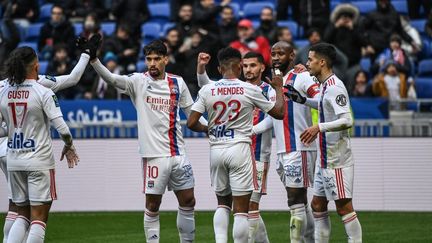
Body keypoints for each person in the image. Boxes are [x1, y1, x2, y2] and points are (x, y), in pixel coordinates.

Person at [90, 39, 204, 243]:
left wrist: (211, 127)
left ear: (166, 60)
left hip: (178, 153)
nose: (152, 63)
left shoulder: (177, 82)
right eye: (149, 59)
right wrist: (94, 59)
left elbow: (192, 112)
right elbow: (112, 79)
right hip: (154, 157)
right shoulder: (137, 81)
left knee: (189, 201)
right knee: (153, 205)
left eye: (157, 59)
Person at [0, 36, 95, 243]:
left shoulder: (2, 88)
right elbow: (72, 79)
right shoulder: (42, 87)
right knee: (38, 217)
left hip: (11, 155)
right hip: (37, 158)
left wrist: (13, 130)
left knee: (18, 210)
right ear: (35, 65)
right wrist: (86, 55)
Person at [187, 46, 285, 243]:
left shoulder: (208, 89)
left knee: (223, 204)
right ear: (239, 67)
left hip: (216, 150)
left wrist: (209, 129)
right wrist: (278, 88)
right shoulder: (250, 89)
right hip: (240, 149)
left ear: (219, 68)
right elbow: (279, 114)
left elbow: (191, 122)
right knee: (241, 210)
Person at [285, 43, 362, 243]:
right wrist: (301, 100)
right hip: (324, 158)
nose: (307, 63)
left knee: (344, 207)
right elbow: (321, 103)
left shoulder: (335, 86)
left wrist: (319, 127)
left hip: (337, 159)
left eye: (310, 59)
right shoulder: (324, 85)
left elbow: (347, 120)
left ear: (322, 62)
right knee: (317, 204)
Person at [253, 41, 319, 243]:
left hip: (299, 147)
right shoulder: (275, 83)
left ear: (292, 56)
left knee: (294, 200)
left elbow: (322, 100)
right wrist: (248, 131)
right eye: (273, 54)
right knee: (300, 201)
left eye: (281, 54)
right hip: (282, 149)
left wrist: (317, 125)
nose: (275, 57)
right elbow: (271, 119)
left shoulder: (303, 76)